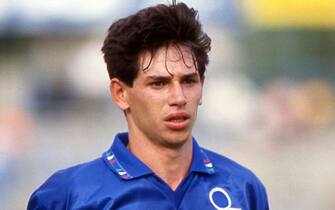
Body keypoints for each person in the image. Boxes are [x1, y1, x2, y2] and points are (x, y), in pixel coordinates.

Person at [27, 1, 269, 210]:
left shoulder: (242, 187)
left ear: (202, 86)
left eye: (189, 81)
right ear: (120, 93)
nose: (179, 97)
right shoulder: (67, 196)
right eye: (159, 83)